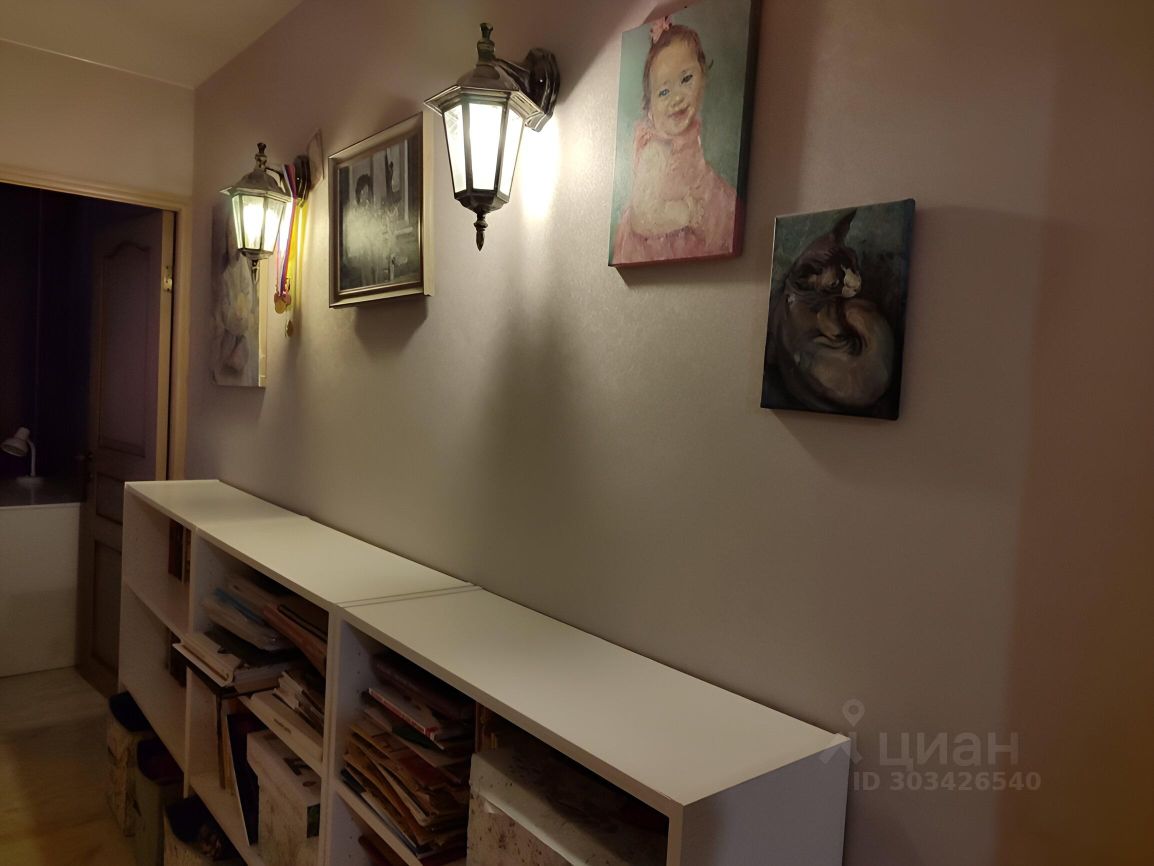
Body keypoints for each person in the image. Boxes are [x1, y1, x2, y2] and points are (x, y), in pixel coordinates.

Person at [612, 18, 737, 265]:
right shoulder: (656, 149)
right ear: (650, 109)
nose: (676, 98)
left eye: (686, 79)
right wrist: (685, 213)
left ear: (703, 77)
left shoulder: (690, 136)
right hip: (655, 245)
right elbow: (642, 217)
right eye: (664, 92)